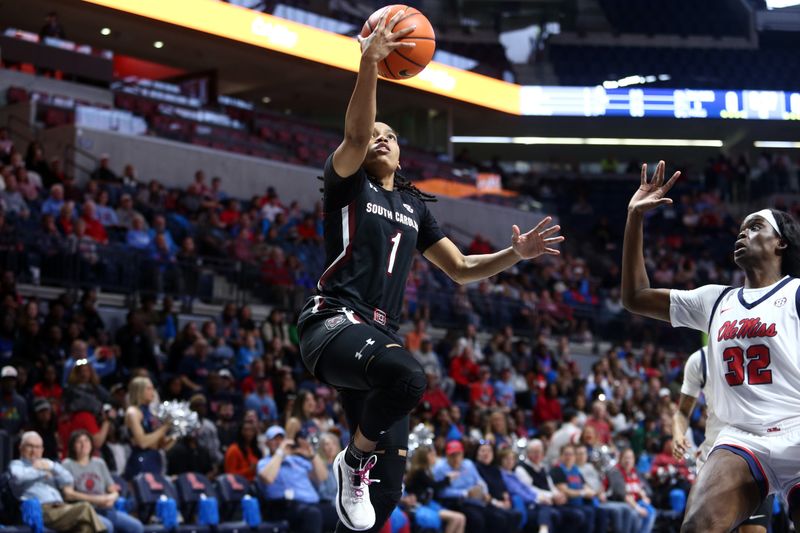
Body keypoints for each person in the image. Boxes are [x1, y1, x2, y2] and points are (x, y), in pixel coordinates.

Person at [296, 9, 563, 531]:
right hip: (333, 324)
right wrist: (369, 65)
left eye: (388, 134)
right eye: (371, 132)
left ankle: (361, 471)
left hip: (378, 334)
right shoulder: (349, 184)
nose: (377, 137)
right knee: (411, 376)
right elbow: (352, 135)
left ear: (400, 150)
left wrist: (517, 254)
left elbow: (461, 269)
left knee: (387, 495)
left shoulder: (415, 205)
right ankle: (351, 462)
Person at [621, 160, 800, 531]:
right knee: (698, 526)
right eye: (740, 228)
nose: (743, 233)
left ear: (781, 242)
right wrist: (634, 217)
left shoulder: (796, 293)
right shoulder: (714, 300)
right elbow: (635, 296)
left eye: (755, 226)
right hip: (741, 438)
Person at [672, 347, 774, 533]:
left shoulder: (766, 344)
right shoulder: (700, 360)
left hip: (758, 454)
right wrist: (678, 434)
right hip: (716, 457)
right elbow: (682, 412)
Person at [9, 431, 107, 533]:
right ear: (21, 448)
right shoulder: (17, 465)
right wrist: (40, 473)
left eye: (38, 447)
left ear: (42, 450)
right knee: (85, 507)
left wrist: (52, 466)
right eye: (30, 446)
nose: (34, 451)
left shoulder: (47, 464)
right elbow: (18, 477)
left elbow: (69, 479)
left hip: (61, 508)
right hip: (43, 511)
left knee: (85, 527)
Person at [256, 425, 337, 533]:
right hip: (283, 506)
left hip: (312, 505)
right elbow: (267, 478)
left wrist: (311, 455)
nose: (278, 442)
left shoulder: (296, 460)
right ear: (267, 443)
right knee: (313, 515)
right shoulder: (265, 462)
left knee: (338, 514)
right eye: (274, 439)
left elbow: (322, 477)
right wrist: (280, 452)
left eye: (281, 439)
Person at [62, 429, 145, 533]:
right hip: (85, 512)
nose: (84, 444)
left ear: (91, 443)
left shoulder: (99, 463)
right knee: (107, 527)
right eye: (79, 442)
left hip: (105, 509)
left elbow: (113, 489)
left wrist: (111, 498)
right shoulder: (67, 464)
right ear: (73, 446)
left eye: (86, 440)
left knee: (137, 527)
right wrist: (98, 500)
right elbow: (68, 494)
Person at [404, 445, 466, 533]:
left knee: (461, 518)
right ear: (425, 457)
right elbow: (435, 486)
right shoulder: (419, 472)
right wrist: (448, 478)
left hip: (428, 504)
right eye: (432, 455)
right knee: (456, 518)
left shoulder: (426, 470)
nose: (435, 457)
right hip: (419, 506)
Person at [122, 377, 173, 480]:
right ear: (139, 391)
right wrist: (165, 427)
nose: (153, 392)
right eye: (149, 389)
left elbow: (163, 445)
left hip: (155, 459)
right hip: (141, 460)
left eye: (153, 388)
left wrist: (177, 431)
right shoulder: (133, 412)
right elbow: (142, 442)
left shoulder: (152, 414)